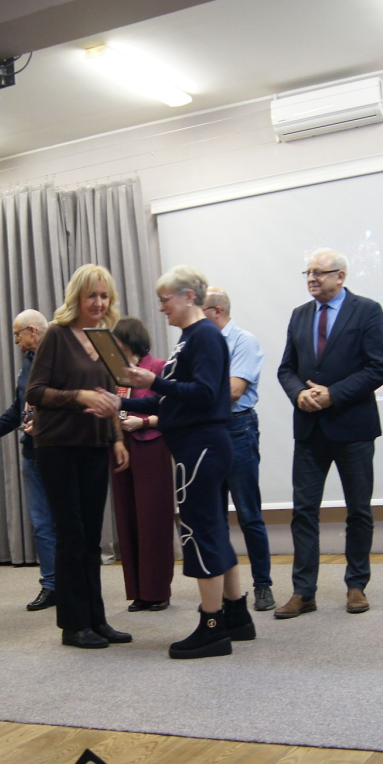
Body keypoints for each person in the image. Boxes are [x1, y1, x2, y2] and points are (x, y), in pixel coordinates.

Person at [124, 265, 255, 659]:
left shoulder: (205, 336)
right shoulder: (192, 338)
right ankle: (236, 615)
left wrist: (153, 381)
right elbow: (171, 399)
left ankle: (211, 627)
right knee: (213, 529)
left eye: (166, 299)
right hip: (199, 447)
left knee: (200, 533)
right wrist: (121, 402)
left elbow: (204, 393)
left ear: (189, 297)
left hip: (201, 447)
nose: (161, 307)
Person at [275, 249, 383, 619]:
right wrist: (299, 393)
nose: (311, 278)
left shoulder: (367, 310)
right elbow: (286, 369)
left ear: (340, 276)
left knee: (358, 510)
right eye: (307, 272)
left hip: (354, 427)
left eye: (319, 272)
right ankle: (303, 591)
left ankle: (356, 585)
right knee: (304, 512)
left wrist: (333, 394)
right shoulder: (299, 314)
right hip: (310, 428)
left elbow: (378, 368)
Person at [26, 265, 132, 649]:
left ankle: (96, 619)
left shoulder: (106, 339)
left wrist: (117, 438)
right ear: (77, 298)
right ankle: (73, 625)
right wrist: (79, 397)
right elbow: (35, 392)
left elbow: (113, 396)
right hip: (58, 446)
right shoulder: (56, 335)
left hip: (95, 445)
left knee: (91, 537)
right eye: (92, 296)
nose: (99, 303)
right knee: (71, 535)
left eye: (104, 296)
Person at [0, 310, 58, 611]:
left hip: (57, 453)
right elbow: (17, 410)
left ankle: (71, 583)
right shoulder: (28, 364)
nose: (16, 341)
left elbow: (70, 403)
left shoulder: (59, 357)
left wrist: (44, 423)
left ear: (32, 331)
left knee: (63, 523)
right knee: (41, 525)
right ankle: (51, 586)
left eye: (17, 335)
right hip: (32, 454)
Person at [203, 288, 275, 611]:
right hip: (207, 431)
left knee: (248, 513)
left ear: (217, 311)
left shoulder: (244, 341)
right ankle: (223, 590)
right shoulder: (199, 343)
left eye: (201, 310)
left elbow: (234, 391)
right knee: (215, 515)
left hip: (237, 428)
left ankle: (263, 585)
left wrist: (195, 395)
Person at [111, 316, 174, 612]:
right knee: (128, 518)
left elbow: (172, 412)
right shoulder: (117, 373)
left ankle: (158, 590)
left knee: (153, 519)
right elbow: (114, 410)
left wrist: (144, 422)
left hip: (152, 448)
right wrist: (117, 438)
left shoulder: (158, 367)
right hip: (121, 448)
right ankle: (138, 590)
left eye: (118, 341)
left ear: (130, 340)